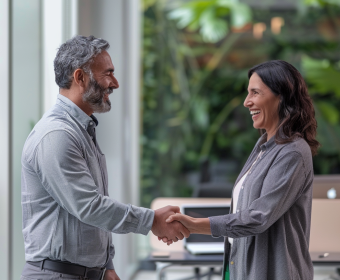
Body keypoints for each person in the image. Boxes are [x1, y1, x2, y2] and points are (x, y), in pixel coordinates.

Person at [20, 35, 189, 280]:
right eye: (107, 73)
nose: (115, 83)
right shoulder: (57, 135)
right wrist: (151, 220)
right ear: (80, 77)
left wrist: (106, 265)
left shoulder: (80, 131)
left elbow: (88, 212)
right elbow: (89, 206)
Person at [163, 60, 320, 279]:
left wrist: (195, 225)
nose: (247, 102)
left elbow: (257, 217)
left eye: (255, 93)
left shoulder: (292, 152)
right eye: (248, 93)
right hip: (242, 268)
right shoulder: (263, 147)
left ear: (281, 97)